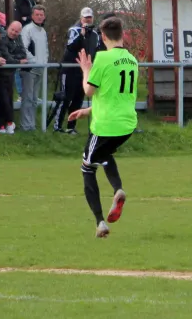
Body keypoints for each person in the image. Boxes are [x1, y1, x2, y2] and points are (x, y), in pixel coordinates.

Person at [67, 17, 138, 238]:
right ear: (123, 34)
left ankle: (100, 223)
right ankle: (118, 190)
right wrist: (88, 111)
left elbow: (89, 91)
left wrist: (85, 69)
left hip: (105, 125)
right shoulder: (132, 59)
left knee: (87, 167)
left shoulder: (103, 59)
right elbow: (114, 94)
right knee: (104, 154)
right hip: (127, 124)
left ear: (104, 36)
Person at [54, 7, 99, 134]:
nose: (88, 20)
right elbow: (70, 46)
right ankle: (57, 126)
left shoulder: (95, 34)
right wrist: (82, 35)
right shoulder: (74, 30)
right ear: (81, 18)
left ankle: (71, 127)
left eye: (90, 17)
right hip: (70, 69)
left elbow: (95, 51)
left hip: (84, 71)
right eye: (85, 17)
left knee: (78, 99)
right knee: (66, 98)